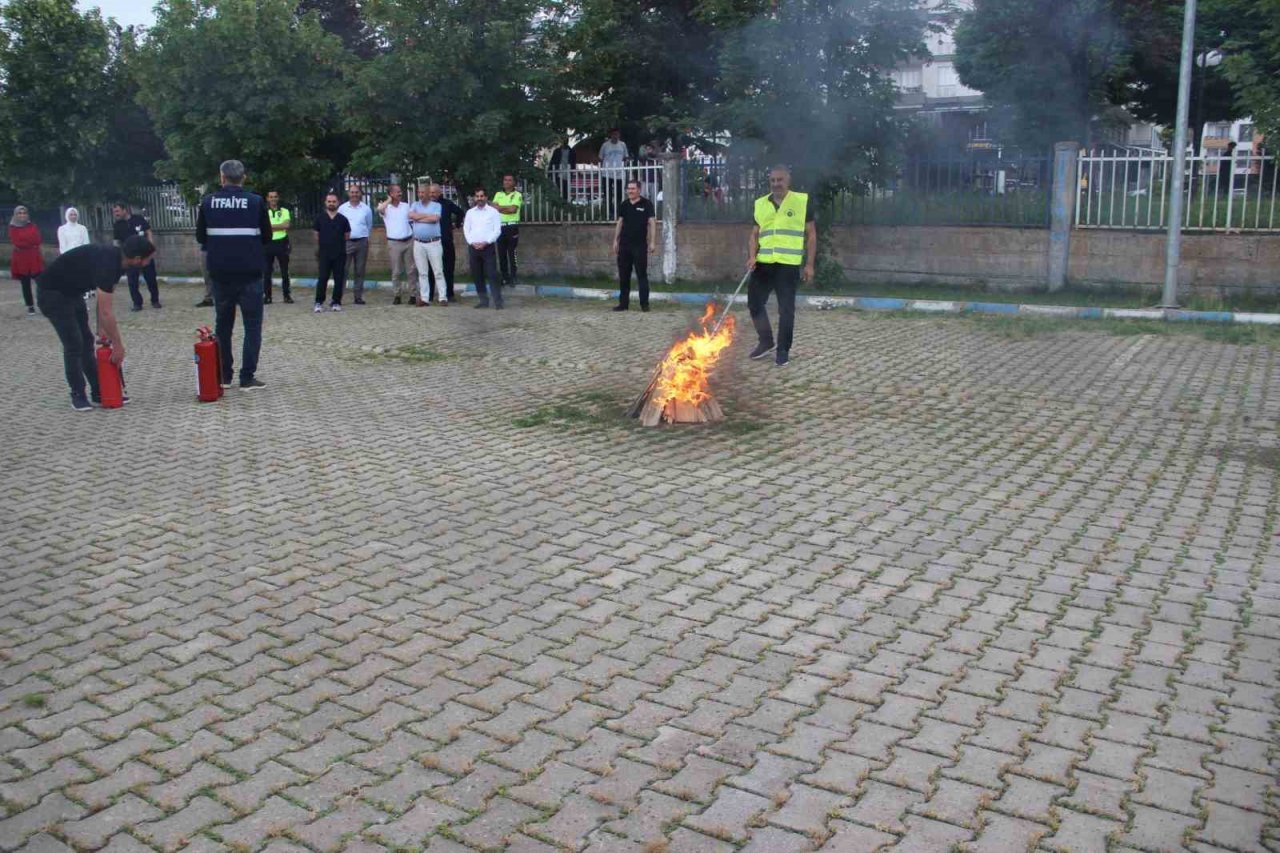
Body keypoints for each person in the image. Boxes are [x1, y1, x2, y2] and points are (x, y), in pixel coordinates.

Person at [36, 236, 153, 411]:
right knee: (74, 344)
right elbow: (107, 312)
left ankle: (99, 392)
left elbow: (102, 298)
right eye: (148, 259)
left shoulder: (118, 262)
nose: (149, 262)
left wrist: (101, 329)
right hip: (52, 294)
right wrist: (118, 345)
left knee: (87, 341)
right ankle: (78, 394)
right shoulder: (108, 263)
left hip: (73, 293)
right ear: (137, 259)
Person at [196, 159, 273, 391]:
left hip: (220, 274)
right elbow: (267, 236)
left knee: (223, 325)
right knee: (252, 326)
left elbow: (201, 238)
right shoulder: (256, 202)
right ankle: (247, 377)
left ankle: (224, 375)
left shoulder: (208, 202)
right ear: (244, 178)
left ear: (221, 178)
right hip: (250, 273)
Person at [745, 165, 816, 368]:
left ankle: (783, 350)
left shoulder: (802, 201)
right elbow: (754, 234)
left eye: (780, 180)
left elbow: (811, 235)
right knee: (754, 303)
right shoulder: (760, 204)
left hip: (788, 265)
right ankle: (766, 341)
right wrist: (752, 256)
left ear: (788, 181)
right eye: (773, 180)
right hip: (764, 264)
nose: (776, 184)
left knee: (786, 310)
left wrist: (809, 264)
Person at [612, 180, 656, 312]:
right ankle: (623, 304)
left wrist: (653, 242)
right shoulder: (624, 205)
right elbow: (620, 222)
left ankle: (644, 304)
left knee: (641, 275)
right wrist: (615, 240)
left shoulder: (646, 204)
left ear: (639, 190)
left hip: (640, 246)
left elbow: (652, 223)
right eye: (628, 189)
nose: (630, 191)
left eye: (633, 188)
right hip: (624, 246)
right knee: (624, 275)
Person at [111, 202, 161, 310]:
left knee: (151, 278)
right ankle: (137, 303)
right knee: (132, 281)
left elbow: (148, 231)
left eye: (117, 211)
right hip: (130, 257)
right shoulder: (117, 225)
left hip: (144, 253)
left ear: (125, 210)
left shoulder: (138, 219)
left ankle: (155, 300)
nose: (116, 214)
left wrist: (151, 244)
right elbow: (116, 242)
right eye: (114, 212)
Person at [407, 184, 447, 306]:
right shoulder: (414, 205)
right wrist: (426, 216)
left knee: (438, 271)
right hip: (418, 243)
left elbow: (435, 219)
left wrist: (418, 218)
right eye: (418, 192)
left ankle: (442, 297)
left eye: (423, 192)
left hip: (433, 242)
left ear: (429, 193)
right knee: (422, 272)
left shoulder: (436, 205)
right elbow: (410, 216)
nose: (420, 194)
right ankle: (424, 298)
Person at [463, 187, 503, 309]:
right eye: (477, 196)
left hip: (488, 247)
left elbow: (497, 230)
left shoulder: (493, 212)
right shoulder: (470, 213)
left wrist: (486, 242)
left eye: (481, 196)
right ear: (475, 198)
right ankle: (483, 301)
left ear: (486, 197)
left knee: (492, 275)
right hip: (473, 248)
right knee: (477, 275)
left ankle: (498, 302)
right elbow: (466, 229)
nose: (479, 198)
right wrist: (472, 242)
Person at [376, 184, 416, 305]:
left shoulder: (405, 206)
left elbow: (411, 220)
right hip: (394, 243)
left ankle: (413, 294)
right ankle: (397, 294)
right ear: (391, 194)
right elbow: (379, 210)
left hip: (409, 240)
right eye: (397, 192)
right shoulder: (385, 207)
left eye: (400, 191)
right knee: (396, 271)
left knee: (411, 270)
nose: (400, 193)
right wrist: (388, 200)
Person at [426, 183, 466, 304]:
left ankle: (450, 294)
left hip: (446, 241)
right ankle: (430, 294)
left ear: (439, 193)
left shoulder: (447, 204)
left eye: (434, 192)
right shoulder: (426, 205)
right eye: (430, 192)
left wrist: (456, 225)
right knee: (431, 270)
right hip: (431, 241)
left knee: (448, 268)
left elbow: (460, 213)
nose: (432, 194)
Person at [313, 192, 351, 312]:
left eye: (334, 201)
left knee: (339, 278)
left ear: (338, 203)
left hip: (339, 253)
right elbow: (316, 235)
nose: (331, 203)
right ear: (325, 203)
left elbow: (347, 235)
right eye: (329, 201)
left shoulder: (343, 219)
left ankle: (336, 302)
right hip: (324, 253)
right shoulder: (320, 218)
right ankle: (319, 302)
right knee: (323, 278)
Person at [337, 185, 373, 304]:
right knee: (343, 270)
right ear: (348, 194)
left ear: (360, 194)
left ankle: (358, 297)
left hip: (361, 242)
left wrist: (366, 238)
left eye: (356, 192)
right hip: (346, 243)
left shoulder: (366, 209)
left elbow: (369, 225)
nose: (354, 194)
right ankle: (338, 297)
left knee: (359, 270)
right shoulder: (342, 209)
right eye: (352, 192)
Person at [8, 206, 44, 316]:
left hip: (33, 256)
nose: (22, 215)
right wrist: (29, 241)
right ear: (16, 215)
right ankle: (30, 306)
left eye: (24, 213)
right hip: (21, 258)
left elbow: (37, 239)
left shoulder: (32, 226)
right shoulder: (12, 228)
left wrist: (28, 241)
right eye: (19, 213)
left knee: (41, 282)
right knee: (25, 283)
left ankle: (43, 304)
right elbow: (17, 242)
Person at [263, 190, 292, 304]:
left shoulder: (284, 211)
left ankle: (287, 295)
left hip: (282, 242)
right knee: (267, 272)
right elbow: (263, 227)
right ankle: (268, 296)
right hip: (267, 243)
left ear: (278, 198)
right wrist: (278, 226)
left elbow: (287, 225)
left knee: (285, 271)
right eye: (271, 197)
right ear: (267, 199)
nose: (273, 199)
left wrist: (270, 226)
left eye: (275, 197)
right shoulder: (264, 211)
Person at [493, 174, 522, 288]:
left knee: (512, 253)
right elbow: (493, 207)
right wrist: (505, 208)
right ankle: (504, 277)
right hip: (500, 227)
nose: (507, 182)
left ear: (514, 182)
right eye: (505, 180)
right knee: (501, 254)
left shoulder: (517, 195)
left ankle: (513, 277)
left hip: (512, 227)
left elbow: (513, 210)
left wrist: (500, 208)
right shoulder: (498, 194)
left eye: (510, 180)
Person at [599, 128, 629, 212]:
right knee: (607, 193)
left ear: (619, 135)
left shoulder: (622, 144)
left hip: (619, 173)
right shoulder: (605, 145)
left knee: (619, 193)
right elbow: (600, 158)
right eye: (613, 134)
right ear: (611, 135)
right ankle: (609, 210)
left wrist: (623, 165)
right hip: (607, 173)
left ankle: (619, 210)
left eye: (617, 134)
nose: (615, 136)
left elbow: (626, 156)